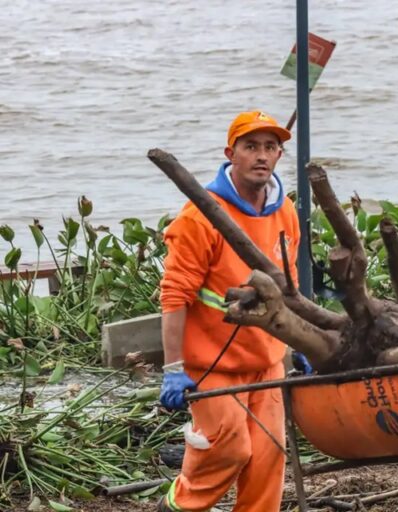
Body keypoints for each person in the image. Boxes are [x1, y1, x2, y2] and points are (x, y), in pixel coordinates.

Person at [157, 110, 299, 512]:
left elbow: (290, 286)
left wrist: (302, 340)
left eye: (270, 147)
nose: (261, 156)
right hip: (211, 362)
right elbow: (174, 296)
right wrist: (172, 369)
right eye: (251, 146)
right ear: (230, 154)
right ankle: (177, 506)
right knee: (229, 448)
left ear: (278, 156)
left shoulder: (284, 210)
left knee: (270, 456)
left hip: (266, 360)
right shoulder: (200, 217)